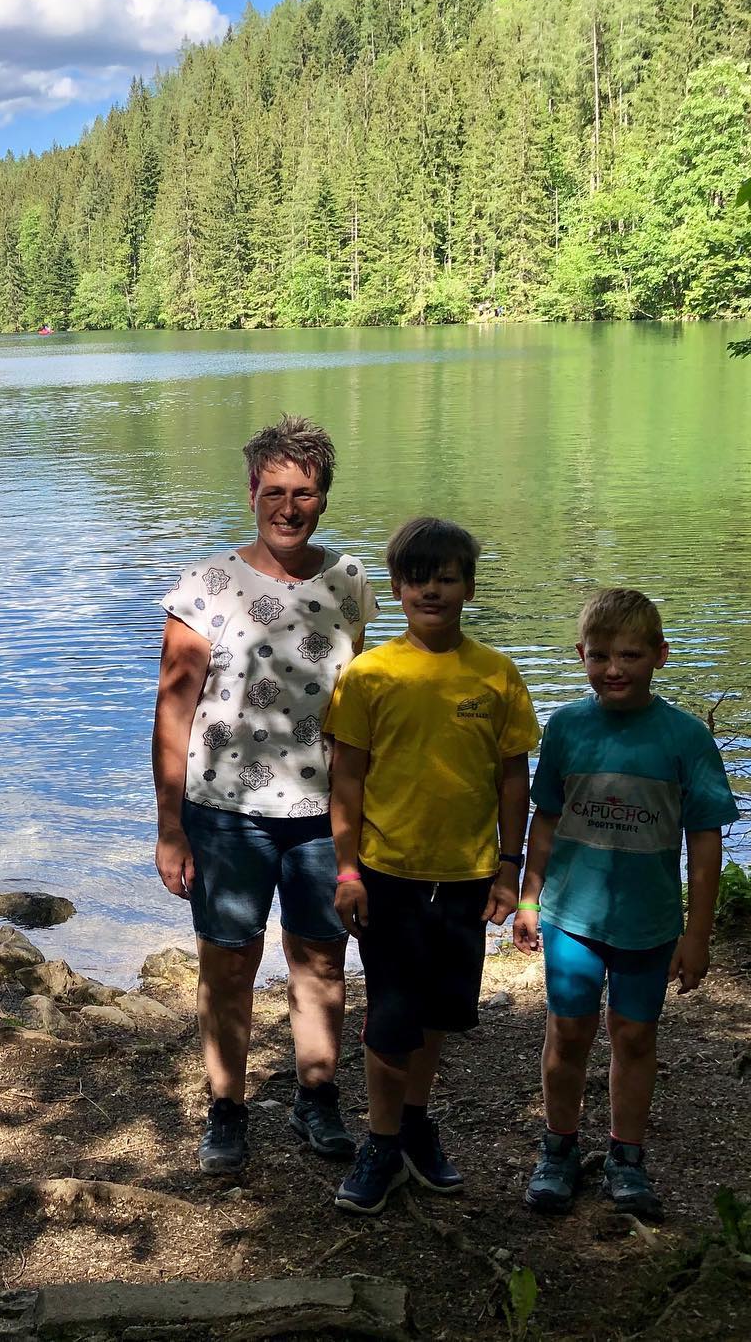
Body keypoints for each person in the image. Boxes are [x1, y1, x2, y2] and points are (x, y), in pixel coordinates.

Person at [153, 414, 379, 1176]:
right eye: (275, 490)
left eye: (305, 492)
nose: (289, 506)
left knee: (320, 961)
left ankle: (317, 1098)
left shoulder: (347, 582)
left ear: (324, 496)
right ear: (251, 491)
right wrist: (169, 826)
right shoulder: (206, 585)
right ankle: (226, 1110)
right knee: (228, 964)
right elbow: (174, 708)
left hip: (323, 817)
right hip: (223, 816)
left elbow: (362, 704)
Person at [324, 517, 538, 1214]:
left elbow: (514, 780)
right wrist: (349, 871)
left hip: (469, 876)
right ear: (397, 587)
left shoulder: (496, 674)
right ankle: (380, 1142)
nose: (432, 590)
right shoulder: (371, 674)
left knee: (440, 1012)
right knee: (390, 1019)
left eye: (446, 577)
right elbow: (347, 782)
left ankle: (416, 1127)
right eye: (418, 578)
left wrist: (510, 867)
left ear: (469, 587)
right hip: (388, 875)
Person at [515, 588, 738, 1221]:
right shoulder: (566, 727)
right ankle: (558, 1148)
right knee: (568, 1032)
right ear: (581, 655)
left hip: (648, 922)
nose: (615, 669)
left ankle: (626, 1157)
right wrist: (530, 899)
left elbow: (704, 842)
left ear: (660, 657)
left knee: (635, 1036)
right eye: (602, 656)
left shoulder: (684, 737)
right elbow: (546, 819)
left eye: (632, 655)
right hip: (571, 917)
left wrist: (698, 934)